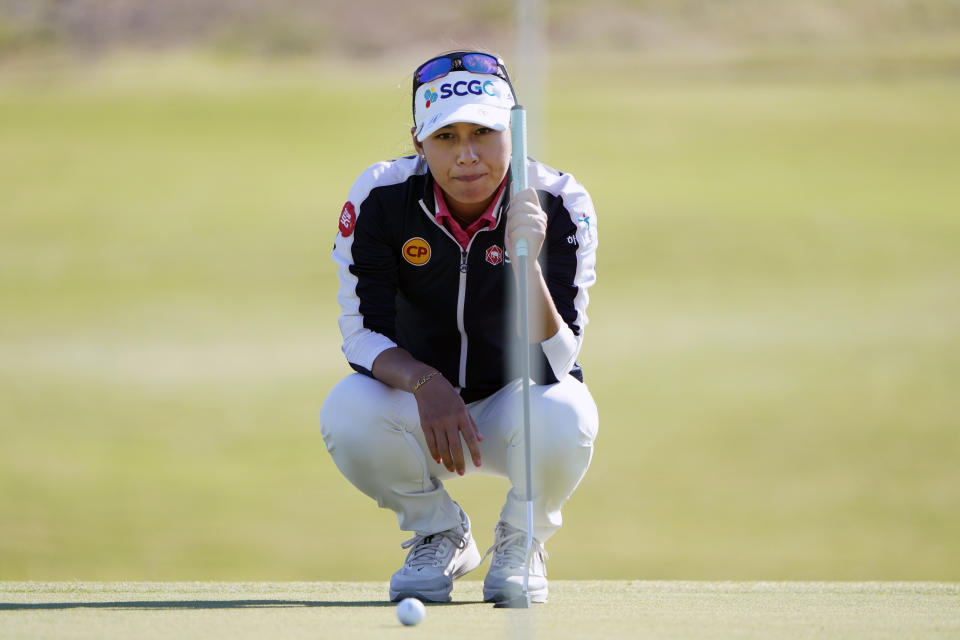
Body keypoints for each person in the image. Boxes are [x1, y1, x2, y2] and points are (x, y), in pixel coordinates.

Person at [319, 51, 599, 604]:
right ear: (420, 143)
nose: (467, 156)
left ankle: (523, 539)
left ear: (512, 133)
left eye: (484, 133)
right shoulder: (380, 197)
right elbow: (361, 334)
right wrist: (426, 382)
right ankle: (439, 533)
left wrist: (527, 265)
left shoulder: (560, 202)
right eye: (446, 137)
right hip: (419, 411)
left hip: (516, 407)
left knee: (570, 412)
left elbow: (555, 362)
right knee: (347, 409)